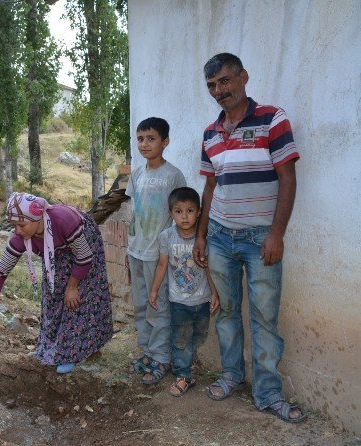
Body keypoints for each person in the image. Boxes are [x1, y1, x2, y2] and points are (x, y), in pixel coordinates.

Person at [193, 53, 306, 422]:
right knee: (226, 312)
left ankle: (268, 392)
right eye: (212, 85)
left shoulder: (272, 119)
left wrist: (276, 234)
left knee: (263, 317)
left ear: (243, 77)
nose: (219, 90)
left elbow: (287, 179)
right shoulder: (211, 133)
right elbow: (210, 187)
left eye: (224, 81)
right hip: (221, 237)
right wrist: (201, 235)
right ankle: (231, 376)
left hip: (261, 240)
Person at [0, 192, 113, 374]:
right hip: (57, 250)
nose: (17, 230)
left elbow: (84, 257)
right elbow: (0, 269)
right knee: (53, 293)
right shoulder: (22, 237)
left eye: (22, 225)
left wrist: (72, 286)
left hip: (84, 245)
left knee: (79, 298)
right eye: (14, 225)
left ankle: (73, 352)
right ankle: (49, 348)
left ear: (37, 218)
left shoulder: (64, 221)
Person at [126, 117, 186, 385]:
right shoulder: (137, 174)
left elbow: (181, 214)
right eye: (140, 139)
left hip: (157, 255)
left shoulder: (173, 175)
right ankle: (148, 352)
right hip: (135, 251)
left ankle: (162, 357)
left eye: (151, 139)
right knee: (140, 303)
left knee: (157, 305)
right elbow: (133, 211)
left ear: (165, 142)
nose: (144, 144)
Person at [148, 187, 219, 397]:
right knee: (180, 338)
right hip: (178, 301)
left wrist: (215, 293)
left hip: (202, 299)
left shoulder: (204, 238)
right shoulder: (166, 237)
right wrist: (154, 290)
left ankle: (184, 363)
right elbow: (162, 265)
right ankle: (183, 374)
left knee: (199, 334)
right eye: (178, 211)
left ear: (198, 212)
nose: (184, 216)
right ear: (171, 214)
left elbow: (209, 268)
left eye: (189, 210)